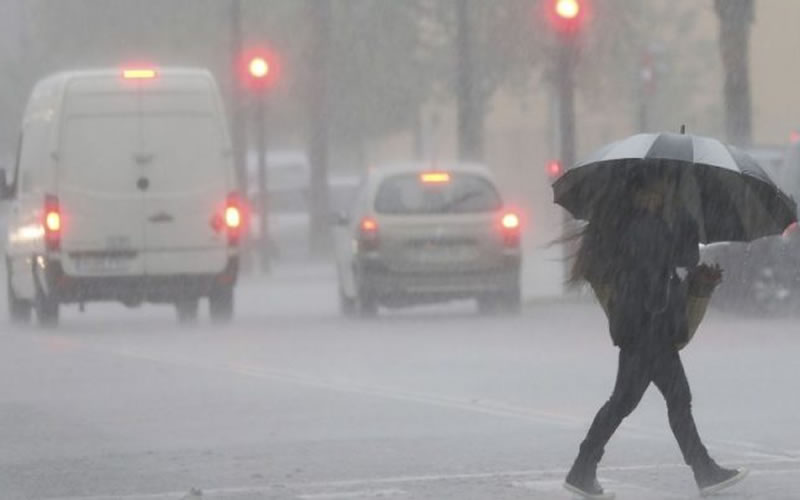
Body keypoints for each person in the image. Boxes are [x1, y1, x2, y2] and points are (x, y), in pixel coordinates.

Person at [563, 169, 748, 499]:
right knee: (669, 401)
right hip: (649, 329)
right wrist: (684, 224)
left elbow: (667, 269)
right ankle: (704, 471)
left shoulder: (635, 226)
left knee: (630, 402)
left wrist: (682, 242)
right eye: (661, 188)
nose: (663, 193)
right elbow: (676, 263)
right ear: (645, 192)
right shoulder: (647, 227)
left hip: (642, 328)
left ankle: (583, 468)